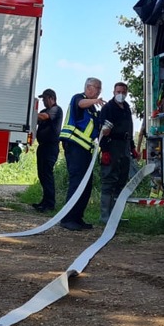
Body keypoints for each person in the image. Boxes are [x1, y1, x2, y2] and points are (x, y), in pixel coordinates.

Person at [58, 77, 104, 231]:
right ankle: (68, 218)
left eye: (99, 89)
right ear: (88, 87)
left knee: (86, 186)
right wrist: (95, 101)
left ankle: (77, 218)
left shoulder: (93, 110)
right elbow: (80, 104)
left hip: (86, 151)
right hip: (75, 147)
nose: (98, 91)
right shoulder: (79, 98)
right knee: (77, 183)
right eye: (96, 88)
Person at [95, 82, 134, 224]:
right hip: (111, 146)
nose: (121, 94)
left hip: (124, 146)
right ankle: (105, 216)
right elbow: (102, 130)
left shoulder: (127, 108)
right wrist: (104, 150)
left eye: (123, 92)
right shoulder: (108, 108)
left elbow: (129, 127)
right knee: (109, 180)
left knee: (121, 180)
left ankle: (115, 216)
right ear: (113, 92)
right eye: (118, 91)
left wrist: (132, 147)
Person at [32, 89, 63, 212]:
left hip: (51, 147)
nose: (44, 101)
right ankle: (44, 202)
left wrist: (32, 112)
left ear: (51, 98)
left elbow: (44, 117)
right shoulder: (44, 110)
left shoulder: (56, 110)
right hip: (43, 146)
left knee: (47, 174)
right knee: (42, 174)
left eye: (45, 98)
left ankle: (50, 204)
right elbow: (38, 119)